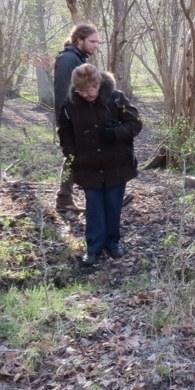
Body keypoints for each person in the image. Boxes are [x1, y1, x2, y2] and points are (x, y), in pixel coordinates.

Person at [57, 65, 142, 267]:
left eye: (90, 90)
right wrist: (72, 155)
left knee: (113, 205)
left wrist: (115, 133)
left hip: (117, 163)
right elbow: (65, 133)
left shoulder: (116, 98)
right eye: (81, 92)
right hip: (88, 166)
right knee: (94, 206)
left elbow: (135, 124)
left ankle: (112, 243)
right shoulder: (70, 105)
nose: (86, 95)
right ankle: (93, 248)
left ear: (98, 84)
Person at [52, 24, 100, 214]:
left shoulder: (78, 58)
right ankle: (68, 199)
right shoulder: (67, 60)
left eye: (97, 41)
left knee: (76, 157)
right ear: (79, 40)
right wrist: (72, 121)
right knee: (75, 156)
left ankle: (65, 198)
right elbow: (63, 94)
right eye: (92, 41)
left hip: (81, 117)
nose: (96, 45)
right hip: (73, 120)